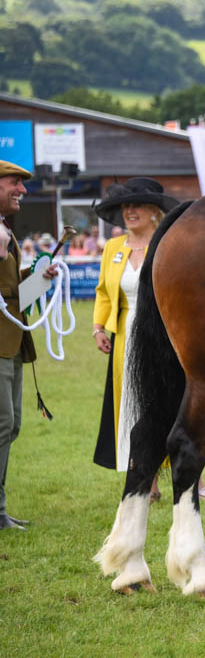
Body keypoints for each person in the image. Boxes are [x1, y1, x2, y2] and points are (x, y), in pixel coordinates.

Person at [92, 178, 205, 502]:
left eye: (137, 205)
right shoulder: (112, 248)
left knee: (176, 403)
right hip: (125, 338)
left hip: (165, 332)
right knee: (133, 406)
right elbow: (104, 293)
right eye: (125, 206)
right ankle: (146, 482)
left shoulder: (168, 244)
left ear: (154, 211)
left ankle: (193, 477)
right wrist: (98, 328)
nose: (129, 211)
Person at [0, 160, 58, 531]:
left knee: (10, 424)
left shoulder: (5, 231)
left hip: (12, 341)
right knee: (2, 423)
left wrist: (39, 278)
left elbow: (12, 293)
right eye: (14, 183)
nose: (22, 190)